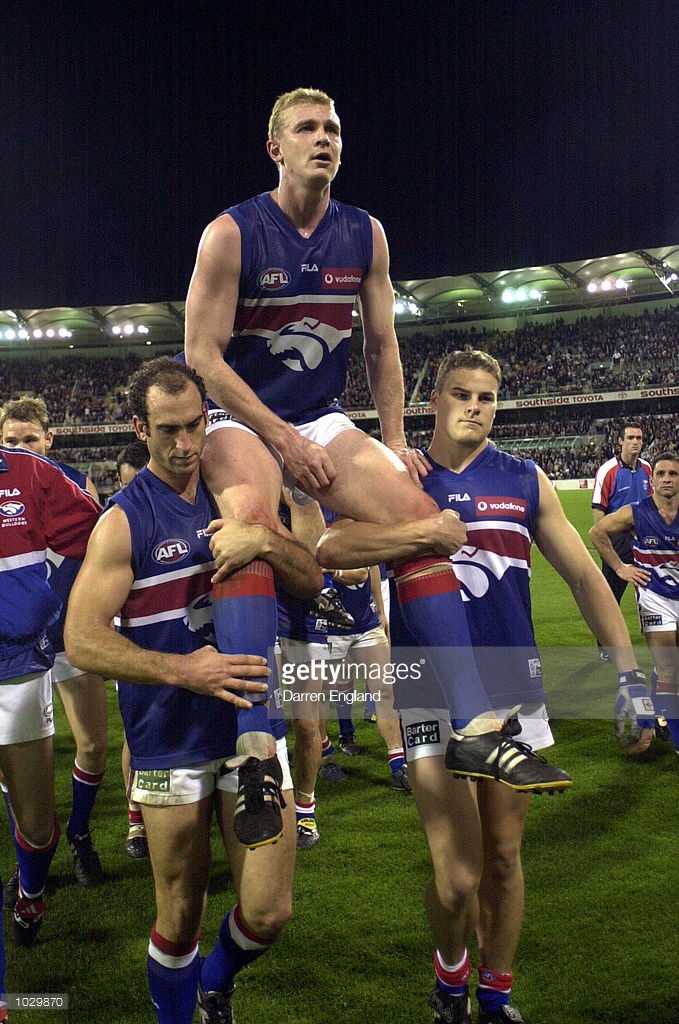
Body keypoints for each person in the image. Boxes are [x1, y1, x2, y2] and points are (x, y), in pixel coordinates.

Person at [183, 86, 570, 800]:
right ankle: (253, 750)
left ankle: (474, 725)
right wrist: (279, 441)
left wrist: (392, 440)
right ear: (277, 149)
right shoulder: (231, 233)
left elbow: (383, 346)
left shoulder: (365, 233)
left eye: (331, 127)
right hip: (239, 417)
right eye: (306, 128)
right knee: (249, 526)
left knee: (419, 520)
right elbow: (202, 357)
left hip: (322, 412)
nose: (323, 137)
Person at [317, 349, 652, 1023]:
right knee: (458, 875)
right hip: (426, 688)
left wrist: (629, 678)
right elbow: (332, 553)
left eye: (487, 397)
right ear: (433, 400)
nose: (474, 406)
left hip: (511, 686)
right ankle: (449, 980)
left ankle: (494, 996)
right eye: (461, 394)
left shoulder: (522, 479)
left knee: (501, 857)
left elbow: (587, 581)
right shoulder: (395, 476)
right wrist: (414, 532)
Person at [64, 357, 322, 1024]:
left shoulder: (234, 491)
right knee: (179, 914)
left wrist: (264, 537)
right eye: (168, 430)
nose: (185, 445)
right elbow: (83, 640)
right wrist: (185, 670)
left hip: (250, 731)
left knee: (268, 912)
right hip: (168, 736)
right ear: (139, 428)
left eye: (196, 425)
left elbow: (311, 580)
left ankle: (215, 984)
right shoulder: (124, 521)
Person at [0, 396, 108, 889]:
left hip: (67, 629)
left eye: (28, 439)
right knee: (17, 774)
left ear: (49, 438)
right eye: (10, 440)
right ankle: (31, 862)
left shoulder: (60, 481)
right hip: (26, 637)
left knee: (92, 743)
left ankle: (80, 834)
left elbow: (100, 546)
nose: (21, 446)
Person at [277, 495, 409, 851]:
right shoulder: (276, 507)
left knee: (385, 692)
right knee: (309, 719)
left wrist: (380, 610)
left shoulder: (344, 499)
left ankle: (399, 763)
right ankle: (312, 791)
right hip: (306, 624)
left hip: (360, 621)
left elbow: (367, 567)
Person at [590, 450, 679, 750]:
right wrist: (620, 567)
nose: (667, 479)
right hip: (654, 596)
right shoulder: (636, 511)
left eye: (673, 474)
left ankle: (653, 716)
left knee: (670, 668)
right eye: (661, 474)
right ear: (651, 480)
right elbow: (597, 531)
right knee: (670, 666)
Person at [115, 439, 152, 858]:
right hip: (134, 641)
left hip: (183, 635)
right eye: (125, 485)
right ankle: (135, 818)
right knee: (134, 732)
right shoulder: (118, 518)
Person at [591, 421, 652, 660]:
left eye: (638, 438)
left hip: (644, 541)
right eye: (631, 438)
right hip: (617, 541)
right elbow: (599, 514)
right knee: (609, 598)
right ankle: (605, 646)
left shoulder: (648, 468)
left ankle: (658, 636)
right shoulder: (608, 471)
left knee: (651, 593)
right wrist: (606, 542)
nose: (635, 442)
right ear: (620, 441)